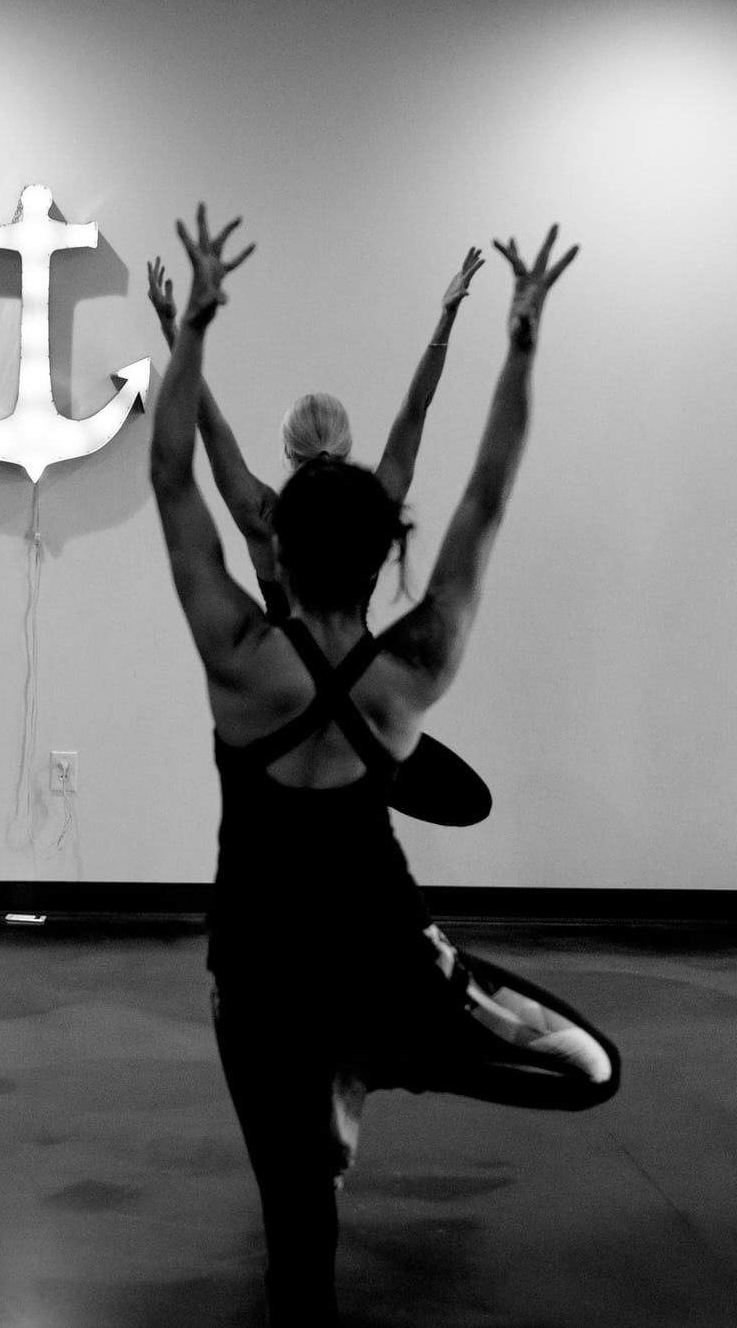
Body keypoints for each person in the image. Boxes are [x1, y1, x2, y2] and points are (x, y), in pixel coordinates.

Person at [151, 208, 618, 1324]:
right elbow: (489, 496)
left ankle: (351, 1072)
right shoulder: (415, 662)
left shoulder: (237, 654)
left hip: (256, 974)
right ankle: (383, 1052)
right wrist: (520, 340)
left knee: (298, 1244)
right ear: (387, 549)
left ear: (277, 542)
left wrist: (192, 332)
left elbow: (175, 476)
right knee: (593, 1067)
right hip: (383, 959)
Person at [147, 250, 495, 829]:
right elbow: (417, 412)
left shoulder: (264, 517)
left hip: (276, 691)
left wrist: (181, 329)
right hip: (362, 693)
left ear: (288, 454)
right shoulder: (374, 509)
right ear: (347, 445)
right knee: (351, 839)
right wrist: (445, 319)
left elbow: (205, 430)